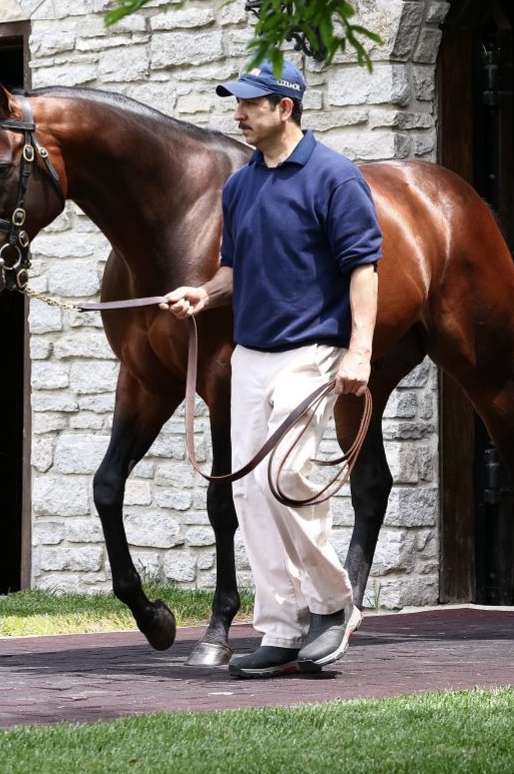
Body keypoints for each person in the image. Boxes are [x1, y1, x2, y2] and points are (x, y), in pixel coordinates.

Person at [161, 59, 383, 678]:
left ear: (285, 108)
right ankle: (281, 627)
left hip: (312, 352)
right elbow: (234, 269)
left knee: (286, 476)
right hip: (251, 355)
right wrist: (203, 294)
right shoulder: (241, 186)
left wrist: (359, 351)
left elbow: (364, 268)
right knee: (249, 491)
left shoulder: (335, 178)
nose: (238, 114)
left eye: (249, 104)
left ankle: (335, 606)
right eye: (237, 103)